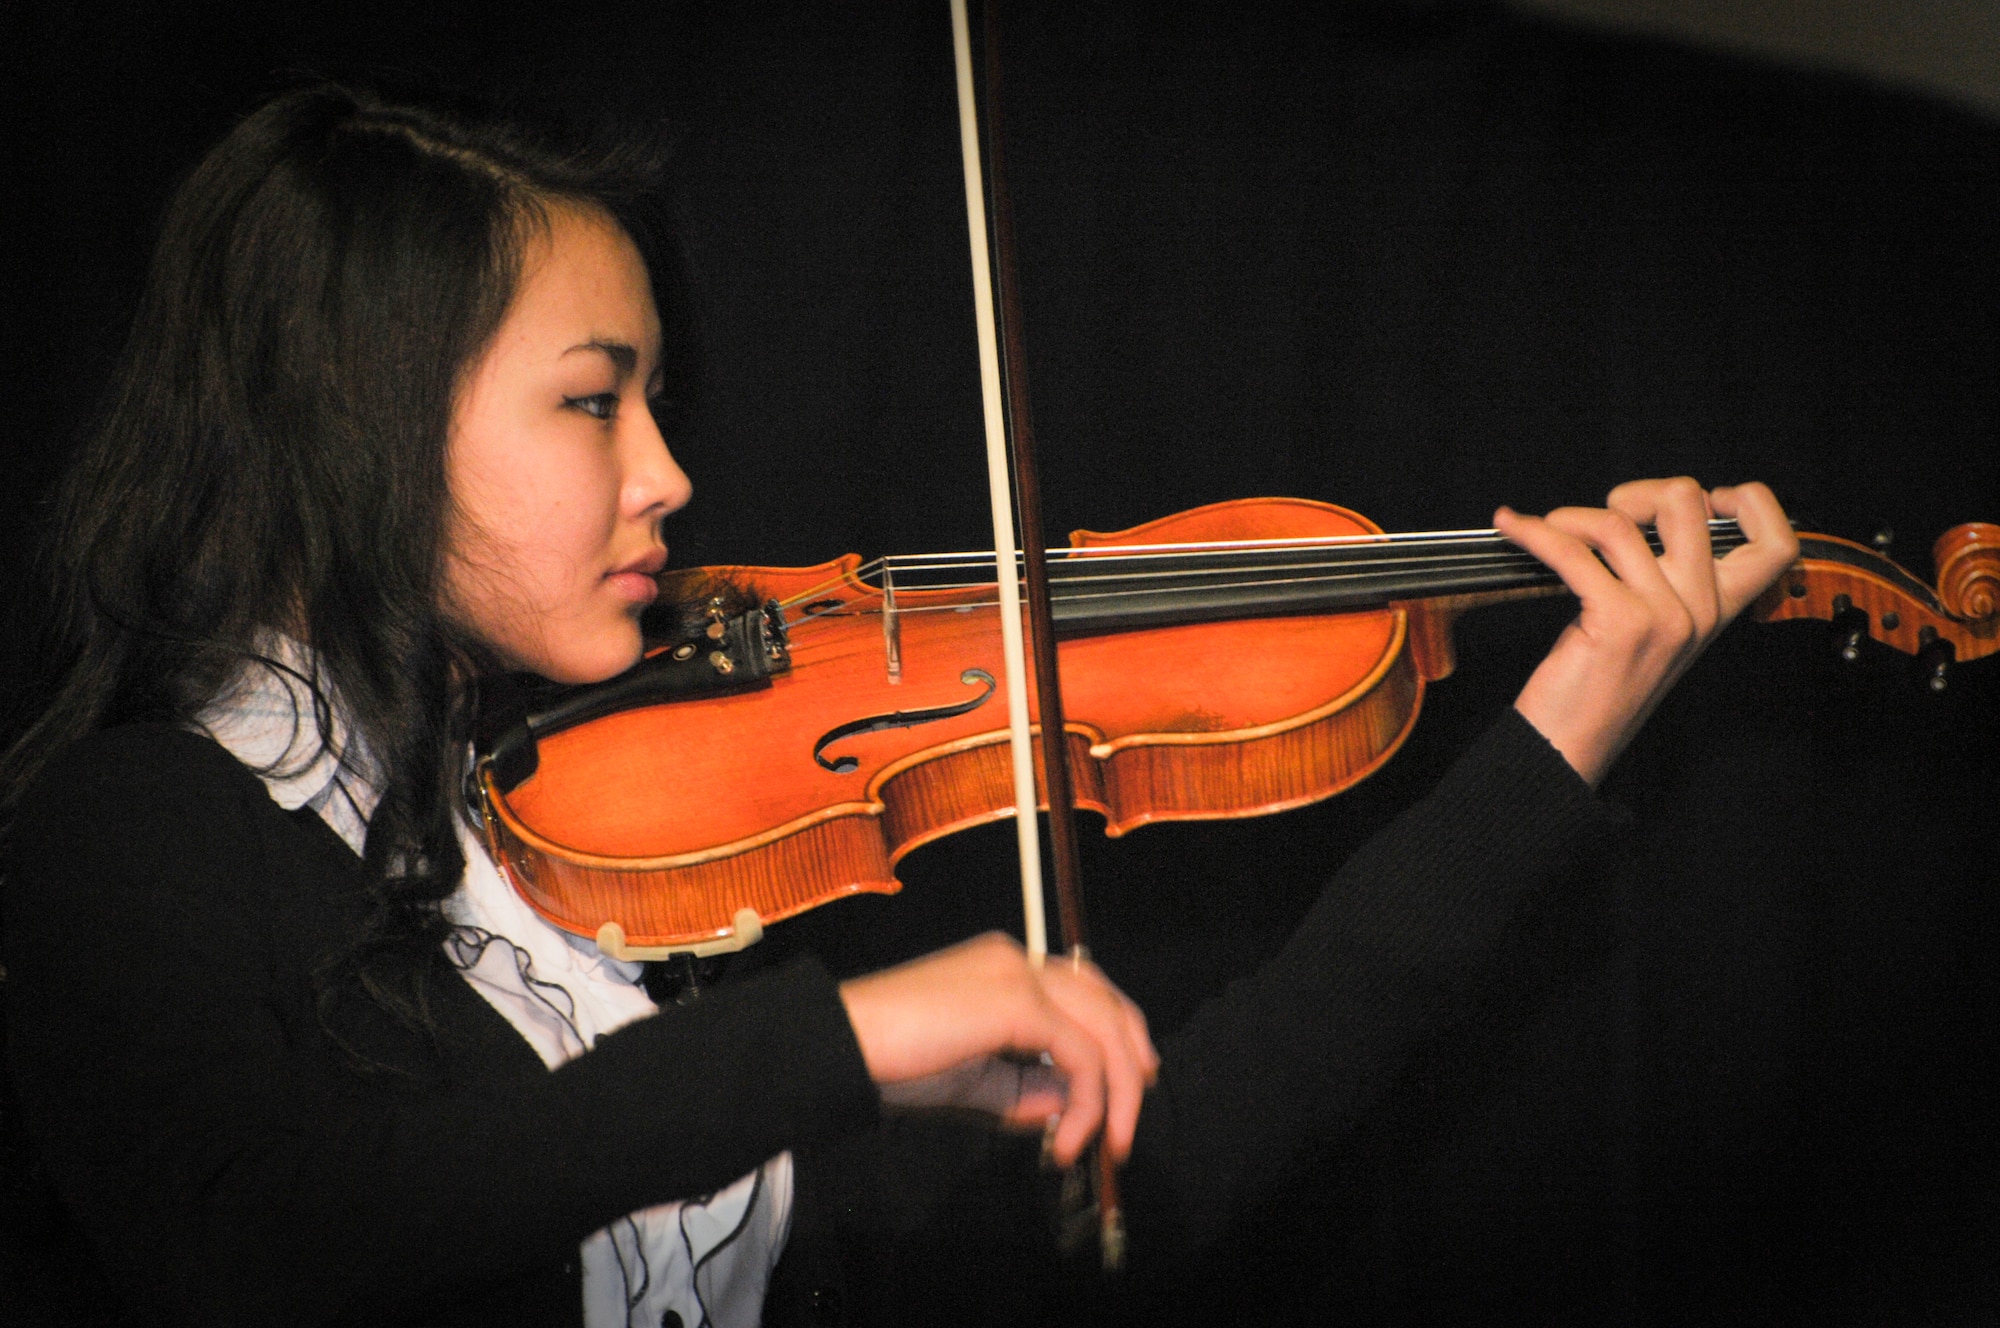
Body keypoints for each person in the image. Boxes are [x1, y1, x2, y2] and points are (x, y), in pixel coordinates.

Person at [0, 84, 1797, 1328]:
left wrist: (1559, 737)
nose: (671, 476)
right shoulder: (131, 828)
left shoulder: (569, 889)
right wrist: (842, 1041)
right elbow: (257, 1247)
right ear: (356, 417)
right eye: (592, 403)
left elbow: (1150, 1195)